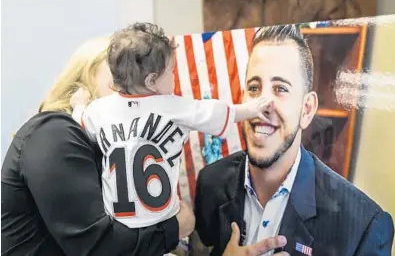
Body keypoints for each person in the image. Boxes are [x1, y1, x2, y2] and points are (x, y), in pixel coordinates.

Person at [194, 24, 395, 256]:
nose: (262, 106)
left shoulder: (364, 228)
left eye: (280, 88)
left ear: (306, 110)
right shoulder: (210, 183)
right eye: (254, 87)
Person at [1, 36, 195, 256]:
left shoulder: (102, 149)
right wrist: (174, 228)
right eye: (120, 71)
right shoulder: (53, 132)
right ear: (83, 77)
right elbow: (96, 246)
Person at [69, 22, 272, 231]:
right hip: (164, 221)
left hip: (117, 225)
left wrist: (79, 104)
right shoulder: (173, 106)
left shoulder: (98, 109)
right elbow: (218, 112)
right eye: (171, 71)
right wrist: (251, 109)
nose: (175, 76)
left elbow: (77, 127)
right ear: (151, 81)